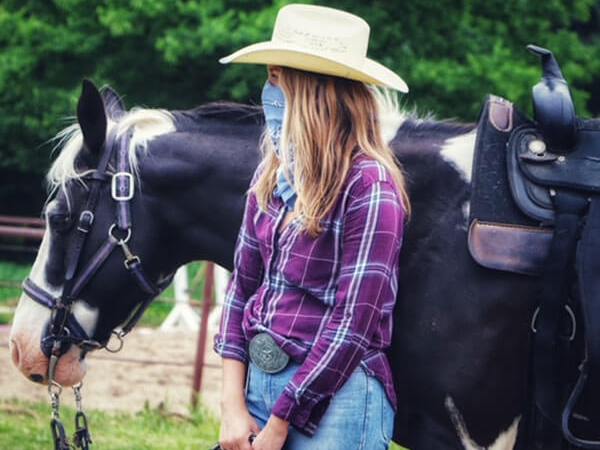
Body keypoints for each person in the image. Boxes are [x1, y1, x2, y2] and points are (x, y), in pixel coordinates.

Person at [213, 4, 411, 450]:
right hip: (257, 390)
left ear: (314, 90)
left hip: (334, 400)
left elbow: (352, 324)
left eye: (277, 79)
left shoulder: (370, 186)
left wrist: (282, 421)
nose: (268, 91)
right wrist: (232, 404)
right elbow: (241, 288)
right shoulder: (270, 175)